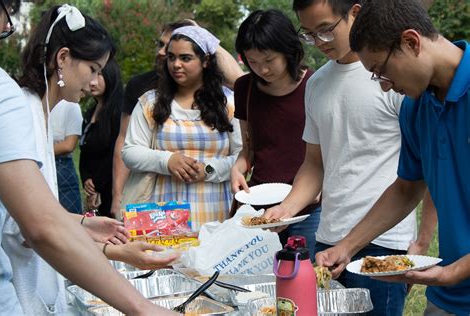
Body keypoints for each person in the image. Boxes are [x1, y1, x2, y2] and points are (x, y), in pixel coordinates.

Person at [0, 2, 179, 314]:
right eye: (92, 69)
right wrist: (141, 304)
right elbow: (32, 226)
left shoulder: (38, 111)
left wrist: (81, 224)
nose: (95, 82)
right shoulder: (20, 107)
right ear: (63, 58)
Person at [264, 1, 436, 314]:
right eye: (310, 35)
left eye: (326, 30)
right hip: (328, 238)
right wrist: (285, 209)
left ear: (354, 12)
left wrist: (422, 241)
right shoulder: (316, 84)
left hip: (386, 241)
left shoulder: (395, 74)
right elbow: (314, 164)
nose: (319, 42)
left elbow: (428, 169)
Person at [316, 0, 469, 314]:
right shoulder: (415, 107)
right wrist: (347, 247)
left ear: (411, 42)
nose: (385, 87)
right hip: (447, 298)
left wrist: (455, 272)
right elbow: (406, 188)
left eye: (381, 71)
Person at [111, 20, 244, 219]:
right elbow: (130, 152)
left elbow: (243, 156)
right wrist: (167, 160)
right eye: (171, 57)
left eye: (186, 58)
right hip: (161, 217)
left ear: (206, 60)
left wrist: (207, 170)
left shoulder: (228, 103)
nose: (176, 65)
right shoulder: (150, 102)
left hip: (217, 213)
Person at [231, 9, 321, 250]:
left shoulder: (316, 86)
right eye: (253, 62)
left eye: (269, 60)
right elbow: (248, 150)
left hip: (307, 208)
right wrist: (238, 169)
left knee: (304, 278)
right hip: (260, 206)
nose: (263, 69)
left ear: (288, 50)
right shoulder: (245, 88)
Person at [79, 58, 123, 217]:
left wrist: (96, 184)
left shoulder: (118, 111)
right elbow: (84, 151)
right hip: (94, 189)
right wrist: (86, 180)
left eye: (99, 76)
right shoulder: (90, 112)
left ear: (111, 77)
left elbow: (115, 152)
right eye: (91, 75)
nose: (92, 82)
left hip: (112, 188)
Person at [51, 99, 83, 214]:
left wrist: (41, 150)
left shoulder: (71, 105)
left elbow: (69, 145)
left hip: (61, 165)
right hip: (35, 165)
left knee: (70, 217)